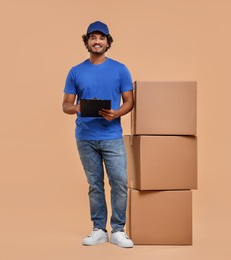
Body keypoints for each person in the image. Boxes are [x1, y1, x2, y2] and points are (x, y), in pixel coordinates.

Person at [62, 21, 134, 248]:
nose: (97, 41)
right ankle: (99, 229)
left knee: (120, 183)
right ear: (87, 42)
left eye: (101, 38)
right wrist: (79, 108)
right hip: (85, 137)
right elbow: (65, 105)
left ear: (107, 42)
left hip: (112, 135)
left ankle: (119, 230)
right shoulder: (76, 71)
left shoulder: (120, 69)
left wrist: (116, 113)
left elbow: (129, 101)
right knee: (94, 184)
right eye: (93, 38)